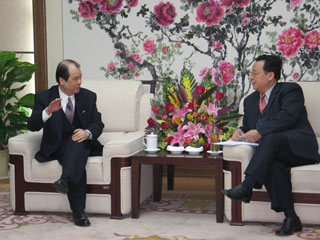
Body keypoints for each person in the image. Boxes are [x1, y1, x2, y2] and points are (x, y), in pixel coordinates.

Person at [222, 55, 320, 236]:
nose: (251, 77)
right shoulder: (250, 101)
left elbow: (288, 117)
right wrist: (239, 131)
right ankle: (291, 217)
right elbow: (249, 126)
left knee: (270, 139)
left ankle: (247, 185)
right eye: (251, 73)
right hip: (273, 152)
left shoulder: (291, 91)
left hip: (300, 147)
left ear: (270, 75)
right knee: (272, 164)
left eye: (255, 73)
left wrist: (260, 132)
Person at [27, 59, 104, 227]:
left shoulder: (88, 96)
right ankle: (77, 209)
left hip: (81, 143)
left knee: (77, 143)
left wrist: (87, 132)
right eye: (75, 79)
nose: (80, 82)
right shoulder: (44, 97)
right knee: (75, 156)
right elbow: (32, 126)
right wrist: (47, 111)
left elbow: (97, 123)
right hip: (56, 147)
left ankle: (67, 183)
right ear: (62, 80)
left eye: (80, 77)